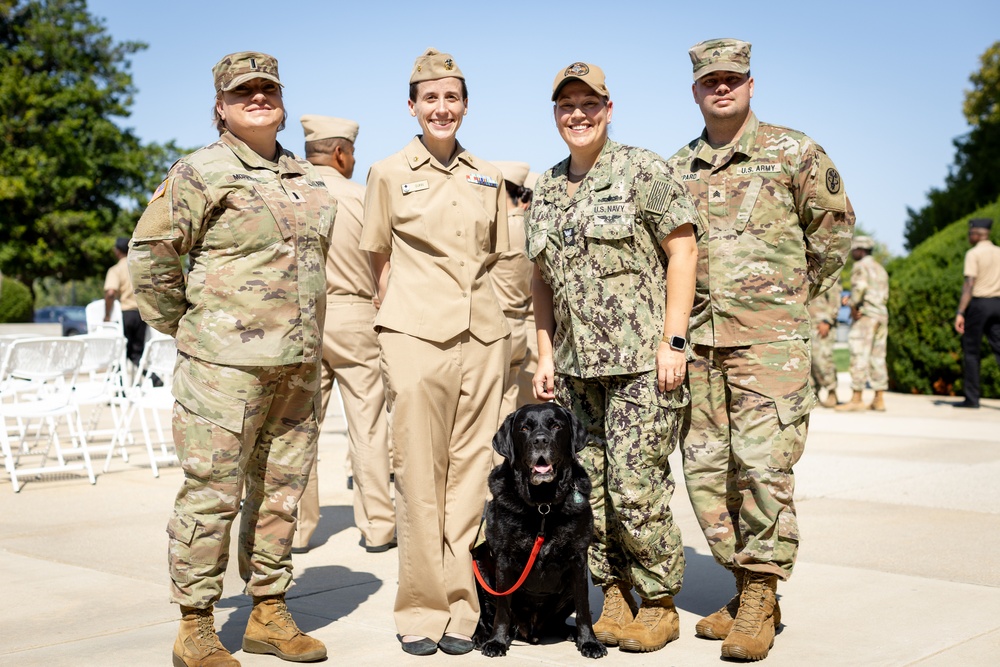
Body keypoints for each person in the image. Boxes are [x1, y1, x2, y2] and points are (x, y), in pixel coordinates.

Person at [128, 51, 333, 667]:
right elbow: (151, 256)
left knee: (280, 494)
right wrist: (191, 328)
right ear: (220, 106)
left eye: (267, 88)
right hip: (222, 370)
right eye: (244, 91)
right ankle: (195, 624)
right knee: (212, 494)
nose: (258, 98)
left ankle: (268, 612)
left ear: (282, 98)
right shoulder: (201, 172)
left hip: (296, 365)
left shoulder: (305, 175)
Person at [668, 39, 854, 661]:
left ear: (751, 84)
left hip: (770, 345)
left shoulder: (795, 152)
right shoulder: (676, 170)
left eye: (732, 79)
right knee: (706, 476)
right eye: (710, 81)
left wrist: (790, 305)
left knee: (763, 469)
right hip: (700, 349)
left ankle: (759, 598)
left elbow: (832, 237)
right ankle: (749, 586)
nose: (722, 88)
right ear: (695, 91)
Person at [528, 61, 699, 653]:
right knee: (589, 488)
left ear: (608, 108)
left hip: (639, 367)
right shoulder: (547, 188)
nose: (577, 114)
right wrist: (545, 353)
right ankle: (616, 590)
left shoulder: (642, 170)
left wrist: (673, 340)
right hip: (576, 369)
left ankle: (658, 600)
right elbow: (542, 281)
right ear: (555, 115)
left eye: (588, 103)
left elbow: (682, 251)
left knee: (634, 485)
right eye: (565, 105)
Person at [360, 48, 511, 657]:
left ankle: (462, 606)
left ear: (466, 105)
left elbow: (498, 257)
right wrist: (392, 326)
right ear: (412, 106)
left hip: (483, 337)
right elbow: (378, 257)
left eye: (452, 98)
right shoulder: (387, 172)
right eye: (430, 98)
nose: (441, 108)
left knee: (474, 479)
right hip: (415, 337)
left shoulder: (489, 175)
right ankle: (421, 609)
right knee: (419, 476)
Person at [294, 115, 395, 555]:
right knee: (369, 427)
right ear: (340, 153)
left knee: (299, 430)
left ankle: (297, 528)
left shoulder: (290, 194)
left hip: (302, 319)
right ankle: (377, 527)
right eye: (350, 153)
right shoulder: (360, 197)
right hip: (355, 315)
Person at [489, 160, 540, 422]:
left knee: (490, 415)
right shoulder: (530, 227)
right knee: (508, 410)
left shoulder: (502, 228)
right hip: (519, 326)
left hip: (496, 328)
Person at [836, 235, 889, 412]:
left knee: (859, 354)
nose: (852, 254)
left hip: (865, 316)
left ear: (860, 250)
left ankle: (857, 398)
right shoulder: (880, 268)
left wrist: (853, 305)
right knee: (878, 356)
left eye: (853, 250)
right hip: (881, 314)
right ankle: (879, 399)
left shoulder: (861, 266)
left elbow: (859, 289)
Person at [954, 217, 1000, 408]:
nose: (968, 236)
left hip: (980, 304)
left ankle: (972, 399)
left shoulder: (973, 254)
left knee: (971, 353)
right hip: (998, 304)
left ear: (976, 234)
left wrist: (960, 312)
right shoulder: (999, 252)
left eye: (970, 233)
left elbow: (969, 285)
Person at [104, 236, 147, 368]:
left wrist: (107, 315)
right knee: (137, 352)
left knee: (121, 352)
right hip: (141, 314)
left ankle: (120, 383)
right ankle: (154, 380)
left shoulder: (116, 270)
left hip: (126, 314)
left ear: (117, 251)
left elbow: (110, 293)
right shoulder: (140, 268)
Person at [808, 281, 842, 407]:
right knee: (808, 361)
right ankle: (813, 394)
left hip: (821, 324)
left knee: (822, 359)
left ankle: (831, 391)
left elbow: (835, 299)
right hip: (807, 323)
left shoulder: (827, 272)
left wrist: (828, 320)